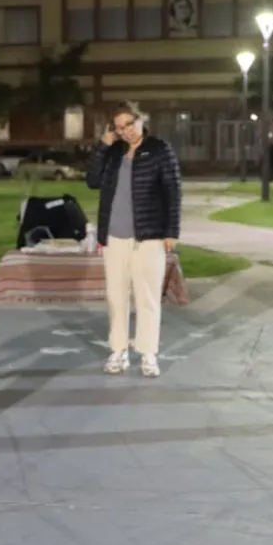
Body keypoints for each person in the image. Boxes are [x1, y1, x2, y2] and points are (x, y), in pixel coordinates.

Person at [85, 101, 183, 377]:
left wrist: (171, 232)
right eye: (119, 128)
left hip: (149, 237)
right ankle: (118, 350)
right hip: (114, 237)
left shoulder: (160, 149)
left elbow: (173, 192)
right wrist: (103, 145)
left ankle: (148, 354)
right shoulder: (114, 152)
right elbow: (92, 180)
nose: (125, 131)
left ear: (141, 120)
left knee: (147, 297)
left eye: (129, 124)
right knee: (116, 297)